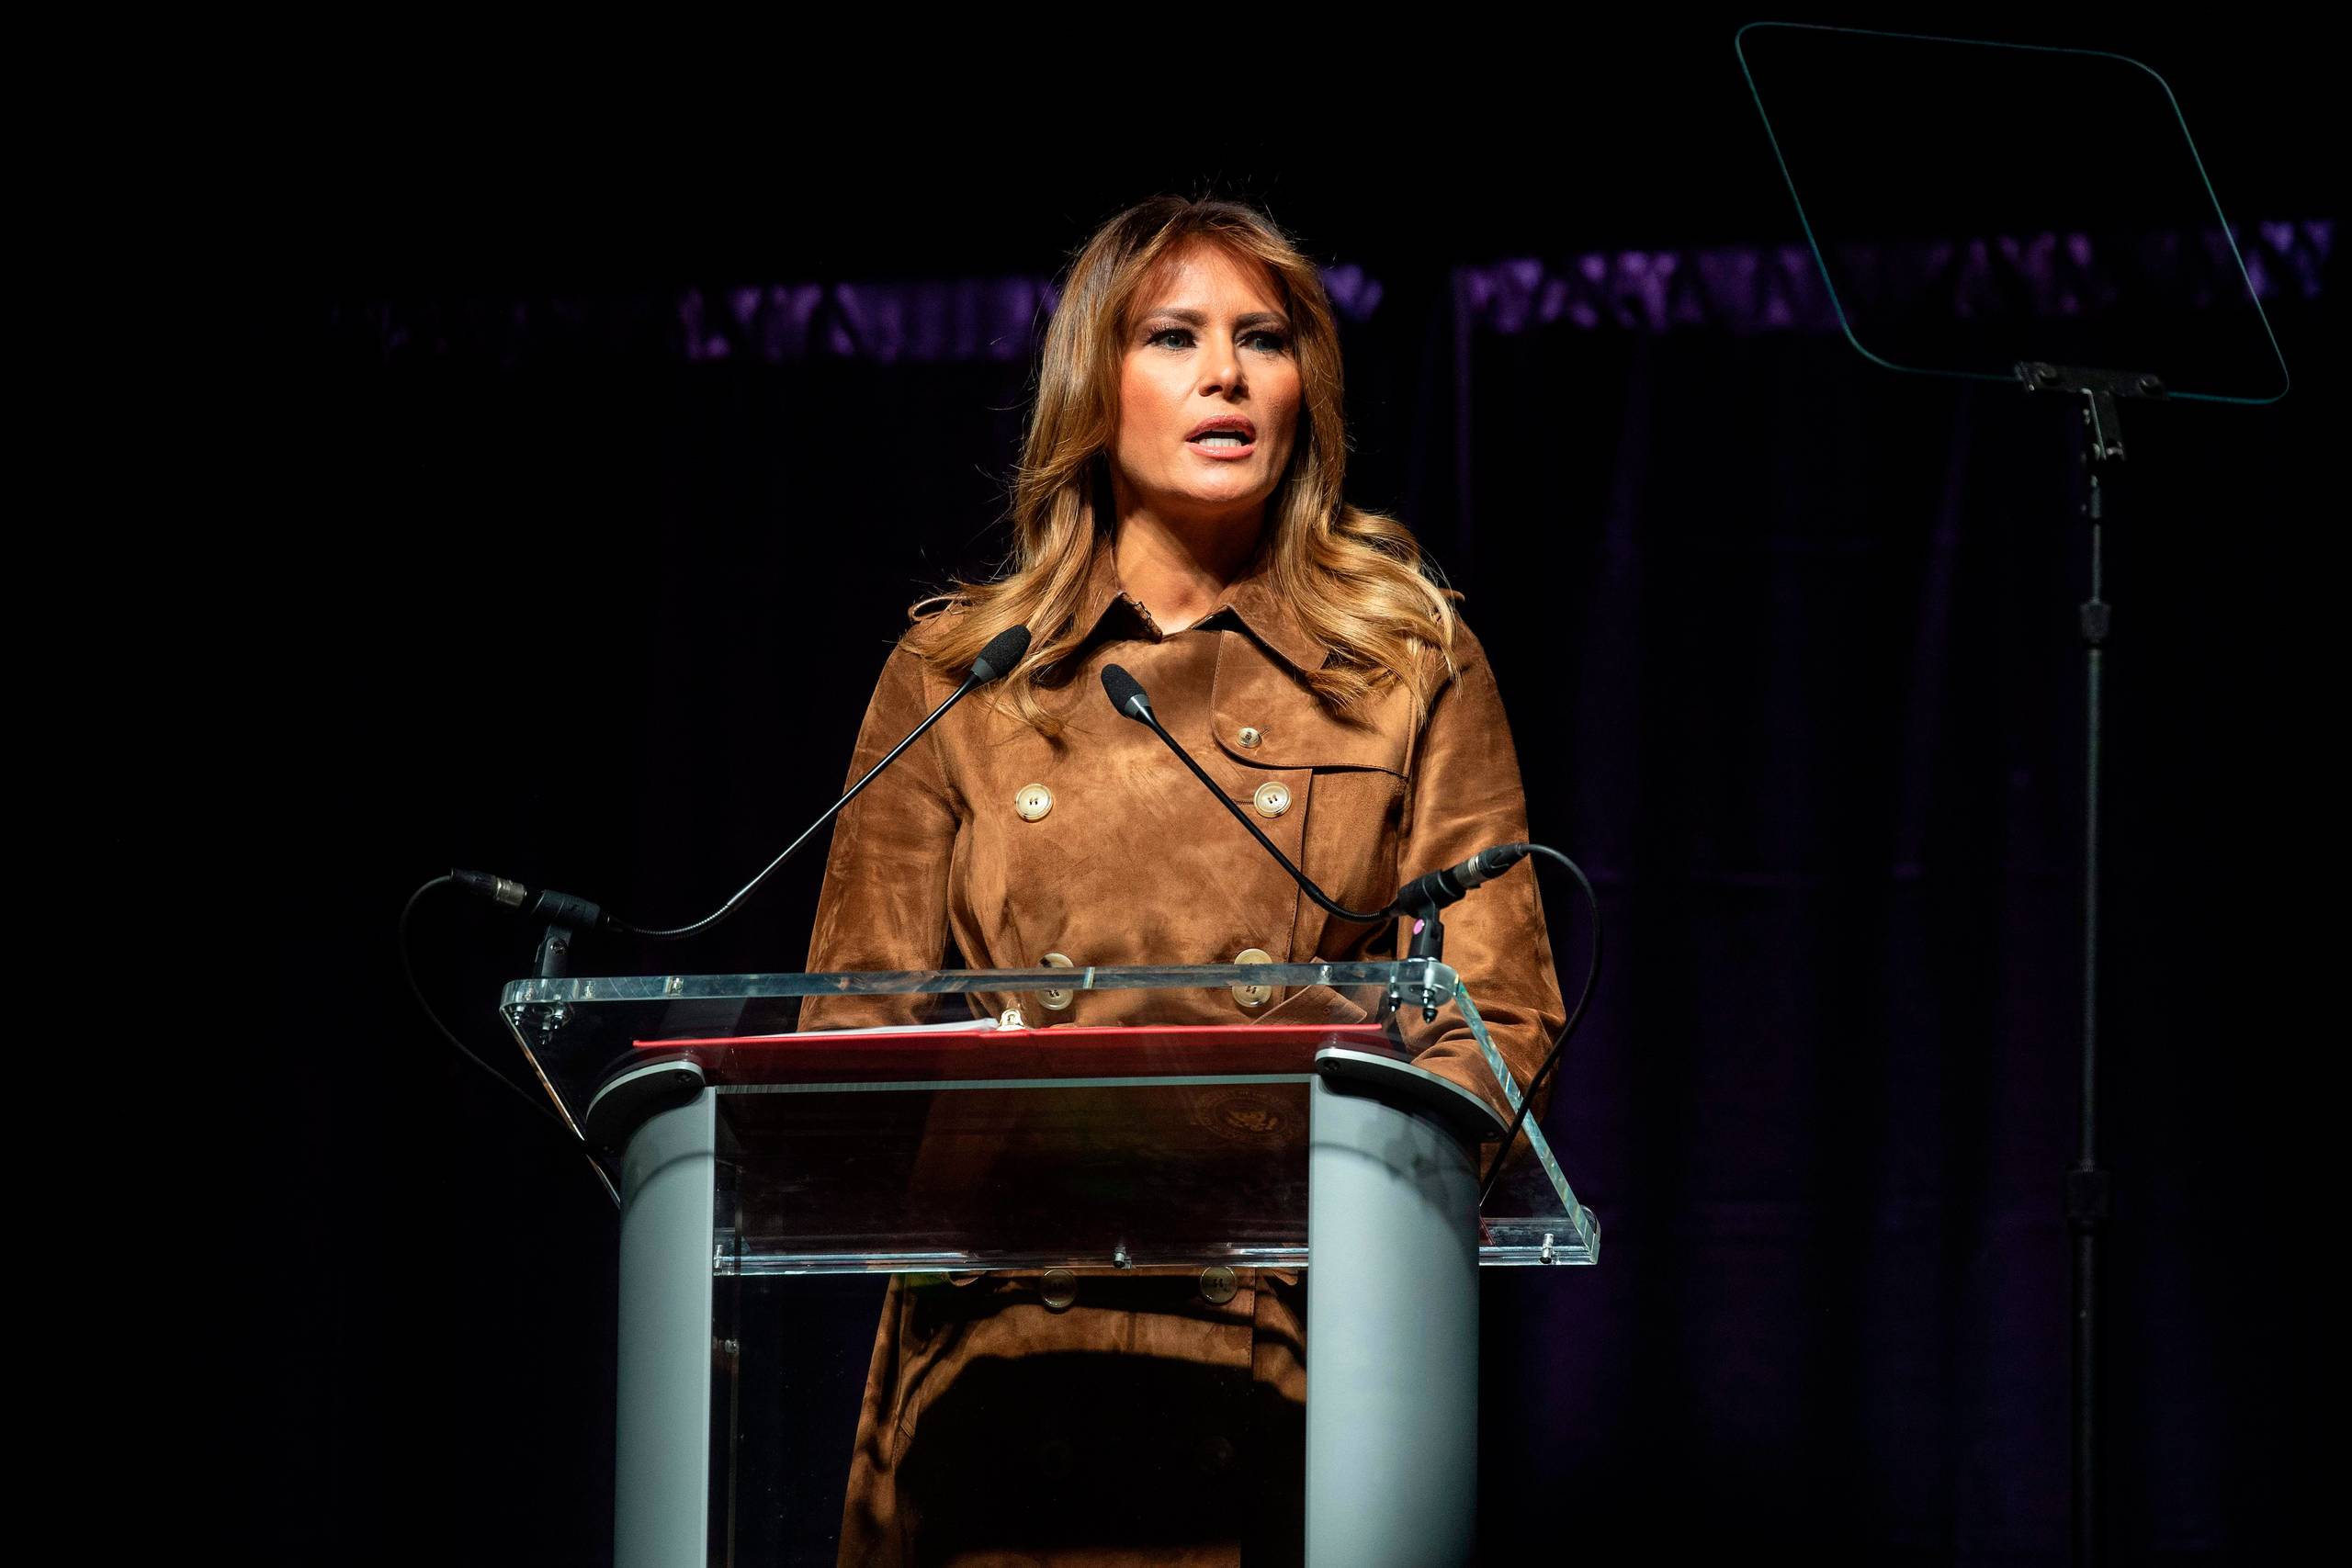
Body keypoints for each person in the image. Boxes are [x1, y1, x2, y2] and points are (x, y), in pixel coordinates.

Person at [800, 195, 1565, 1566]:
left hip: (1291, 1361)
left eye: (1263, 339)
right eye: (1175, 336)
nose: (1227, 374)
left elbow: (1496, 1026)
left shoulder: (1404, 669)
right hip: (994, 1379)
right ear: (1095, 389)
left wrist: (1312, 1180)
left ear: (1306, 388)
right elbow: (846, 1047)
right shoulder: (954, 679)